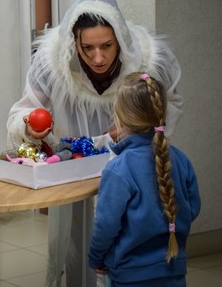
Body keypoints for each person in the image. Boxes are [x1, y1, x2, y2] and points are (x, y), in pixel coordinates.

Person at [6, 0, 183, 286]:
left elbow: (171, 103)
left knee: (132, 246)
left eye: (106, 46)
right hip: (76, 174)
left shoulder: (150, 61)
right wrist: (28, 125)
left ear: (120, 39)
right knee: (79, 249)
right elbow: (22, 111)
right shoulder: (52, 64)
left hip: (134, 171)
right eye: (87, 48)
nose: (98, 58)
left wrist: (138, 126)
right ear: (73, 42)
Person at [88, 72, 200, 286]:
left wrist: (96, 257)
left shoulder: (118, 169)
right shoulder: (180, 159)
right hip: (174, 270)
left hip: (129, 276)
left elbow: (106, 225)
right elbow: (192, 208)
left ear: (119, 119)